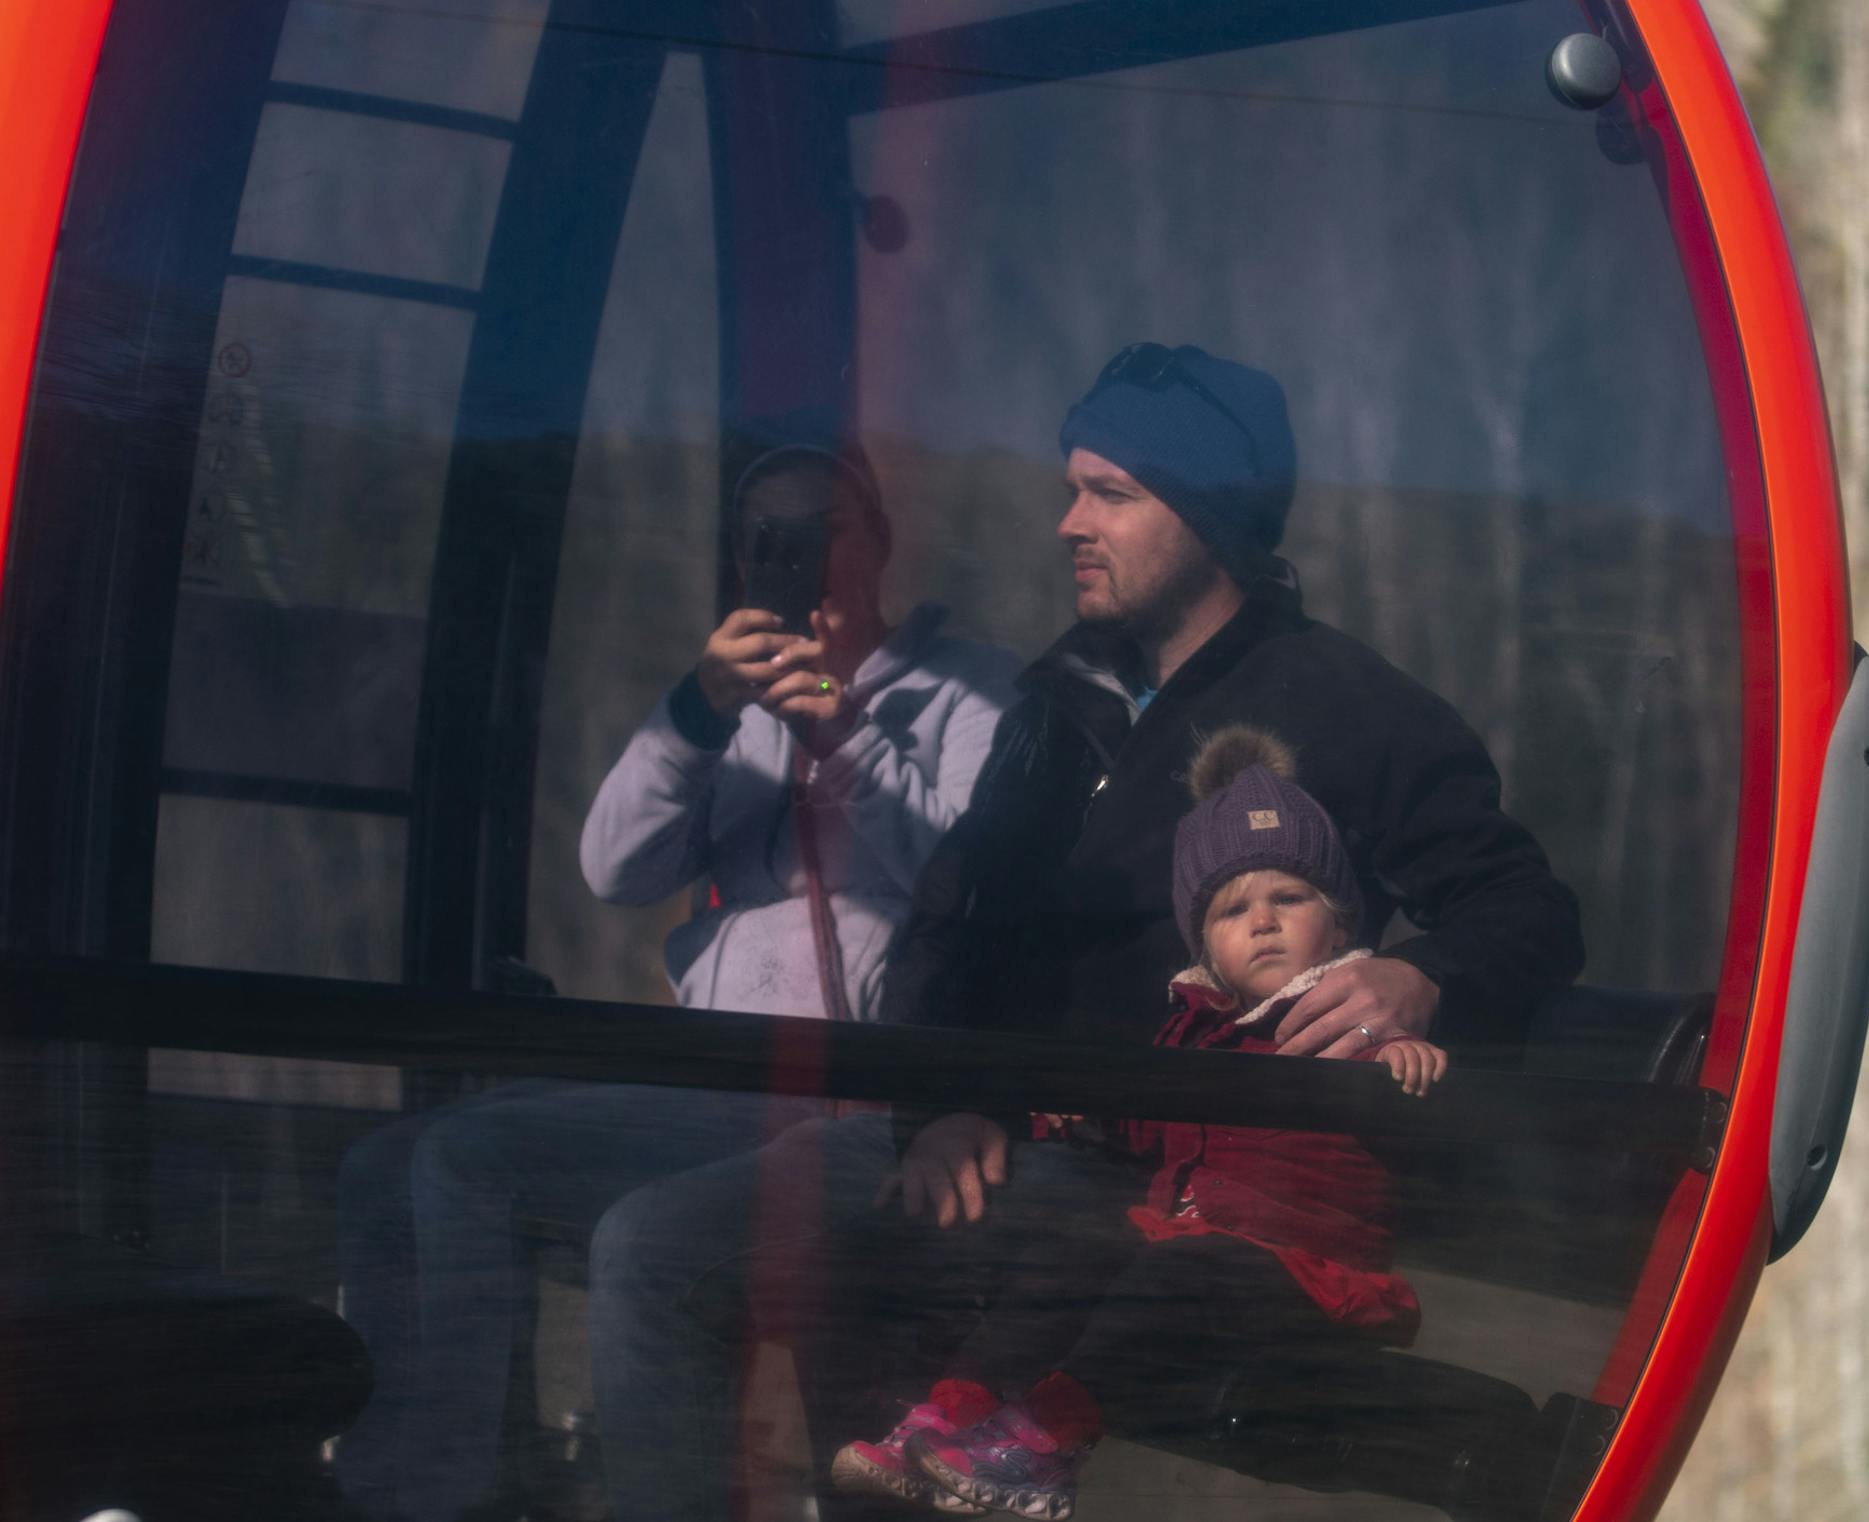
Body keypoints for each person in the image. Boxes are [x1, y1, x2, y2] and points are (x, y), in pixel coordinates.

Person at [584, 343, 1583, 1522]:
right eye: (1070, 487)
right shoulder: (1064, 700)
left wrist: (1419, 979)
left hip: (1152, 1178)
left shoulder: (1342, 706)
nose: (1068, 522)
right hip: (983, 1135)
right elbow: (951, 925)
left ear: (1210, 518)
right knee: (660, 1248)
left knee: (820, 1272)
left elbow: (1523, 911)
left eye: (1110, 493)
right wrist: (940, 1105)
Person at [333, 436, 1017, 1522]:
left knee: (490, 1166)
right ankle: (406, 1487)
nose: (791, 556)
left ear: (879, 541)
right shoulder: (728, 713)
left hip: (845, 1092)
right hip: (707, 1081)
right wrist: (694, 716)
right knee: (389, 1162)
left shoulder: (968, 689)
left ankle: (438, 1500)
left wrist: (842, 735)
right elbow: (613, 866)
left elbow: (972, 879)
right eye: (765, 538)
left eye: (819, 530)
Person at [829, 726, 1447, 1521]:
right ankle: (949, 1419)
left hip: (1298, 1270)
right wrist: (1079, 1118)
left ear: (1337, 921)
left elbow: (1397, 1085)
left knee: (1173, 1274)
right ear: (1206, 945)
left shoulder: (1345, 1022)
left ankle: (1043, 1448)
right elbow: (1153, 1129)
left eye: (1288, 899)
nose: (1261, 922)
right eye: (1232, 910)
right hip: (1193, 1245)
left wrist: (1404, 1056)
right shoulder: (1192, 1030)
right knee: (1069, 1251)